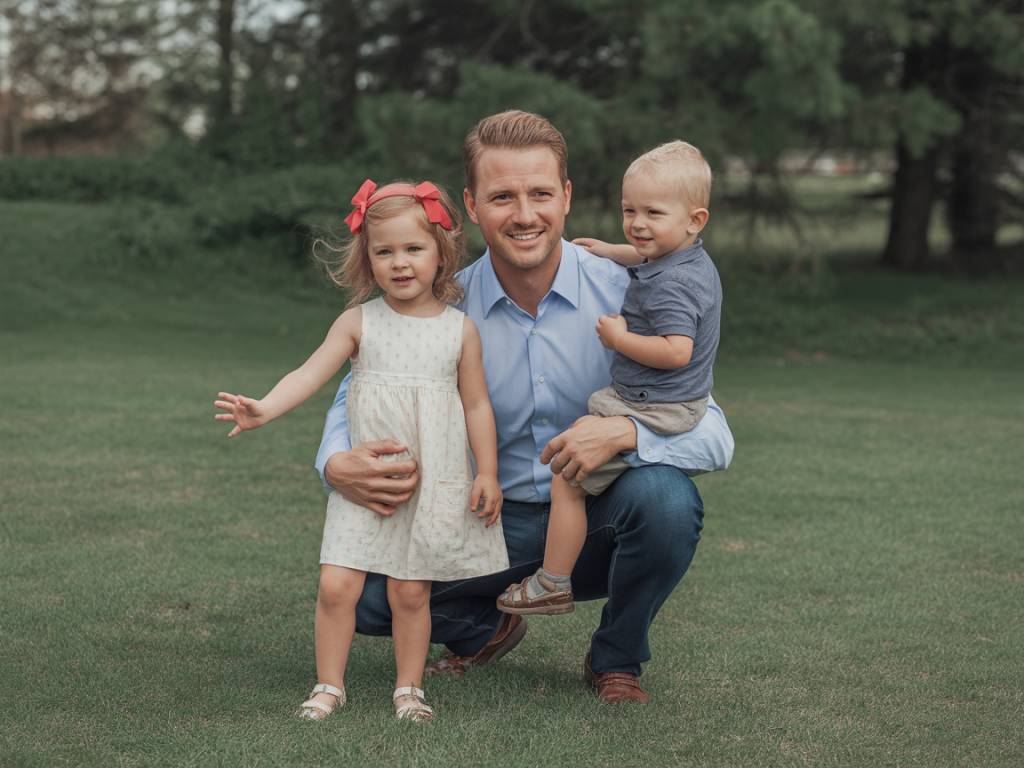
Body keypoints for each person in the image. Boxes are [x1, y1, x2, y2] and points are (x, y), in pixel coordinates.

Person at [316, 111, 734, 704]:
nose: (524, 214)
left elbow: (713, 432)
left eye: (540, 193)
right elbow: (353, 392)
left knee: (667, 502)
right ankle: (486, 628)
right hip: (484, 517)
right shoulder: (442, 307)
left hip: (598, 517)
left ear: (566, 197)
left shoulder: (631, 293)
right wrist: (335, 463)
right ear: (472, 205)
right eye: (502, 197)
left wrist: (624, 433)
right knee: (364, 598)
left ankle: (616, 658)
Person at [214, 180, 508, 722]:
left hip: (429, 482)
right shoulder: (358, 322)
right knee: (336, 585)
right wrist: (265, 409)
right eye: (384, 251)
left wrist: (486, 472)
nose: (400, 263)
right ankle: (329, 686)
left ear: (441, 252)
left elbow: (477, 406)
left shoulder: (459, 331)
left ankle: (409, 689)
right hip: (363, 482)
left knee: (410, 593)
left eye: (413, 248)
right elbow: (309, 373)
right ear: (367, 258)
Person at [496, 140, 721, 616]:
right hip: (654, 400)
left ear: (695, 220)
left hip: (653, 403)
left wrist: (621, 339)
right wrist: (609, 251)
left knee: (568, 475)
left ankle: (552, 582)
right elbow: (646, 256)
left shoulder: (673, 287)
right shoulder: (681, 258)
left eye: (652, 213)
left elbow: (676, 351)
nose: (637, 224)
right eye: (629, 210)